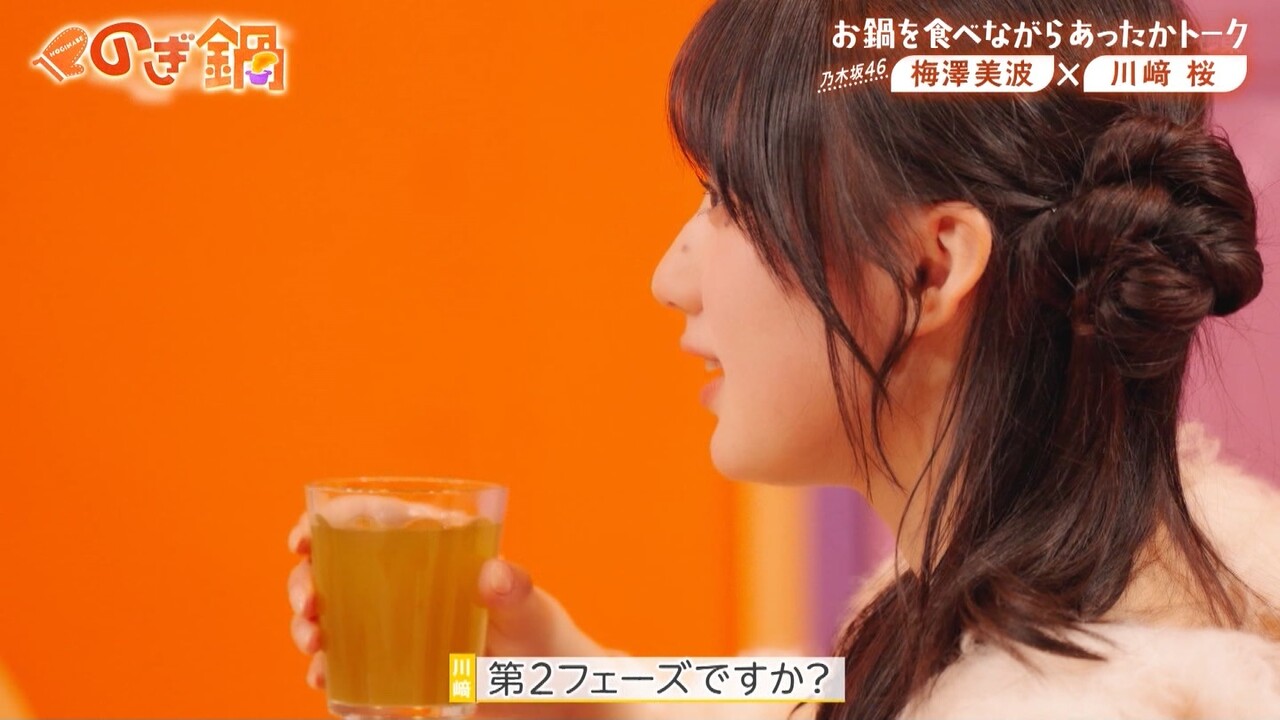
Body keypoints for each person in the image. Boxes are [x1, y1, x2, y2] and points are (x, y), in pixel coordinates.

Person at [289, 0, 1280, 717]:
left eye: (730, 202)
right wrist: (563, 677)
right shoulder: (1009, 616)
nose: (670, 278)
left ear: (930, 268)